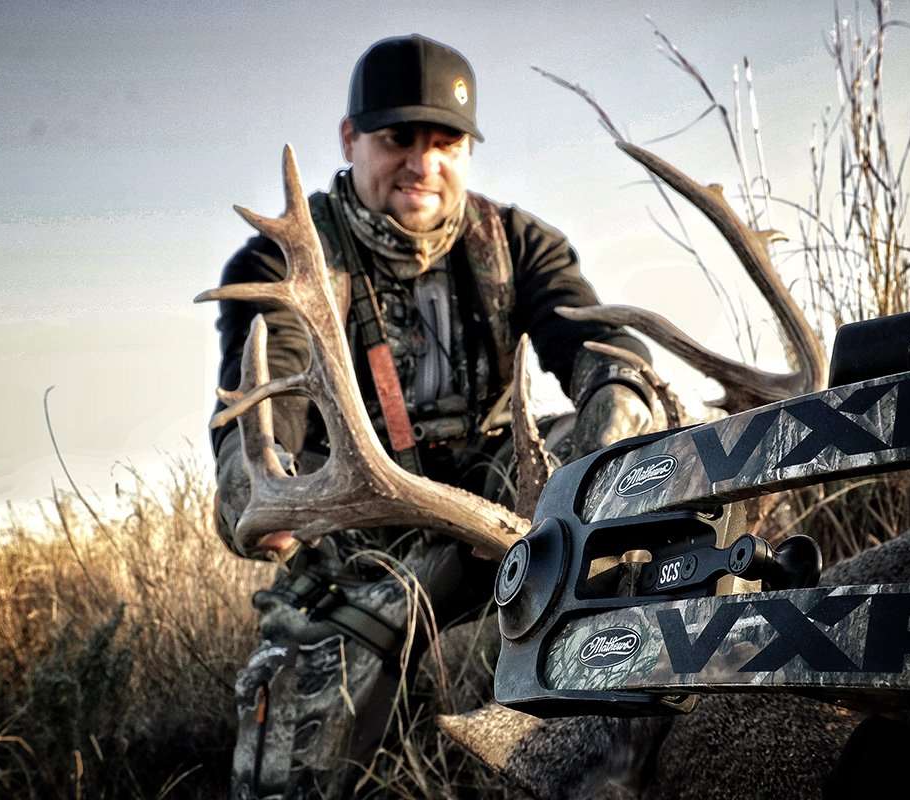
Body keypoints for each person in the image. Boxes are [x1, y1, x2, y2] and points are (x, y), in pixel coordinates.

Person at [211, 33, 656, 799]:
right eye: (397, 140)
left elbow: (590, 336)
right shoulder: (285, 264)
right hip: (361, 541)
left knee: (621, 494)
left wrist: (619, 403)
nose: (423, 163)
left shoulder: (519, 243)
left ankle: (612, 746)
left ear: (467, 150)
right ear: (350, 140)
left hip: (506, 513)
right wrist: (257, 480)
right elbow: (269, 386)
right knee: (282, 772)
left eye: (445, 141)